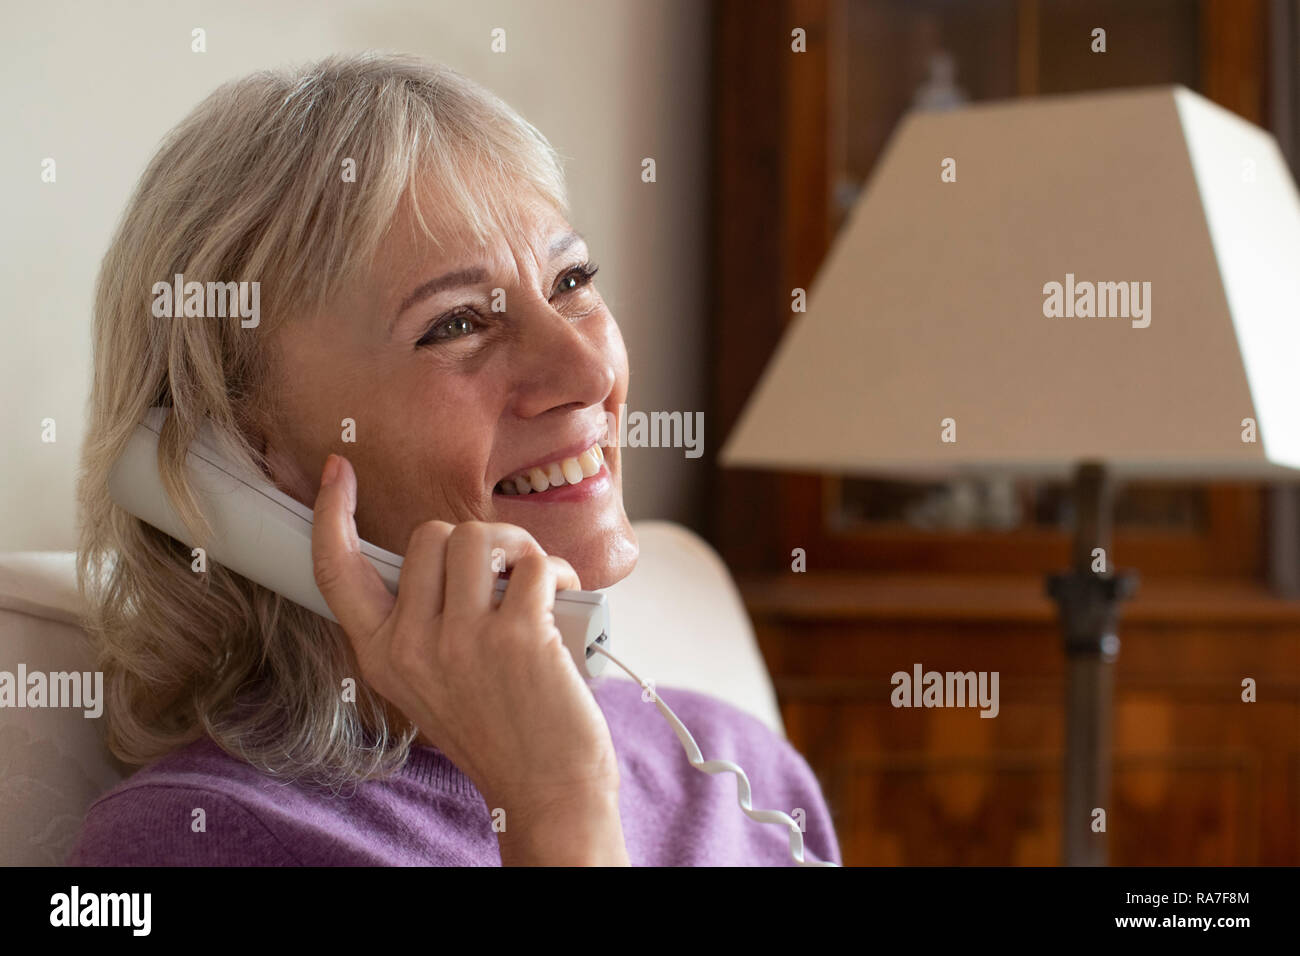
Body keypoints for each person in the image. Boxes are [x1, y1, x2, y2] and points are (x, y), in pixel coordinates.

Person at [68, 52, 840, 866]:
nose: (585, 373)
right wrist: (556, 807)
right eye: (457, 324)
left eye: (571, 280)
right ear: (246, 455)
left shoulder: (732, 766)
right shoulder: (195, 837)